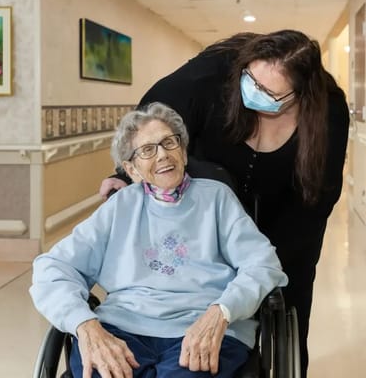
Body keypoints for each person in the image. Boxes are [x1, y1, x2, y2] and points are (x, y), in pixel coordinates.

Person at [99, 29, 350, 377]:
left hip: (289, 212)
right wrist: (126, 174)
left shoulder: (328, 110)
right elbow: (151, 125)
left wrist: (264, 267)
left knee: (286, 299)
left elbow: (319, 196)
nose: (255, 93)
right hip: (208, 202)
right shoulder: (212, 75)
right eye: (252, 80)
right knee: (200, 282)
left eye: (270, 92)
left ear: (299, 95)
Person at [30, 102, 288, 378]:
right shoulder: (121, 206)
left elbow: (263, 265)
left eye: (169, 142)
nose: (163, 154)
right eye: (147, 150)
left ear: (184, 152)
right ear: (132, 169)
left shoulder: (217, 198)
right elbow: (53, 269)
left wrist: (222, 311)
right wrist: (85, 325)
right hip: (122, 327)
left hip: (203, 327)